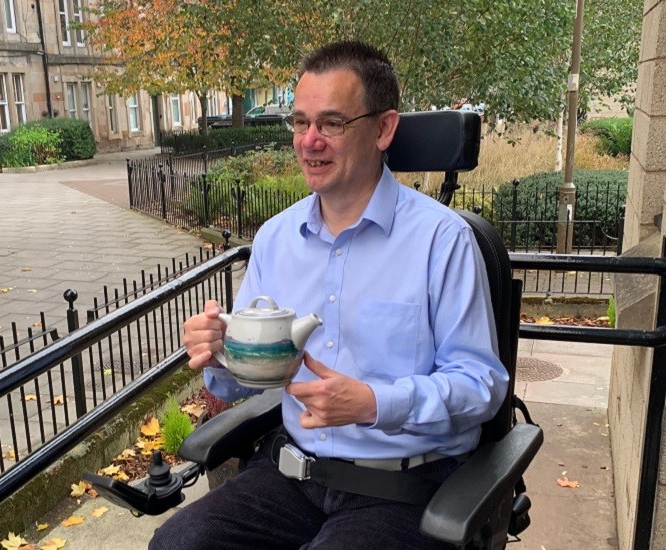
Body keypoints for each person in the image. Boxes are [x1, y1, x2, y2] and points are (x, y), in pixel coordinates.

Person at [151, 40, 508, 550]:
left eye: (332, 123)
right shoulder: (275, 239)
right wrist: (219, 353)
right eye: (300, 122)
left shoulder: (441, 241)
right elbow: (242, 385)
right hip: (294, 476)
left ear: (384, 129)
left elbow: (481, 386)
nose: (309, 141)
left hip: (403, 487)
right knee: (177, 543)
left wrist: (372, 404)